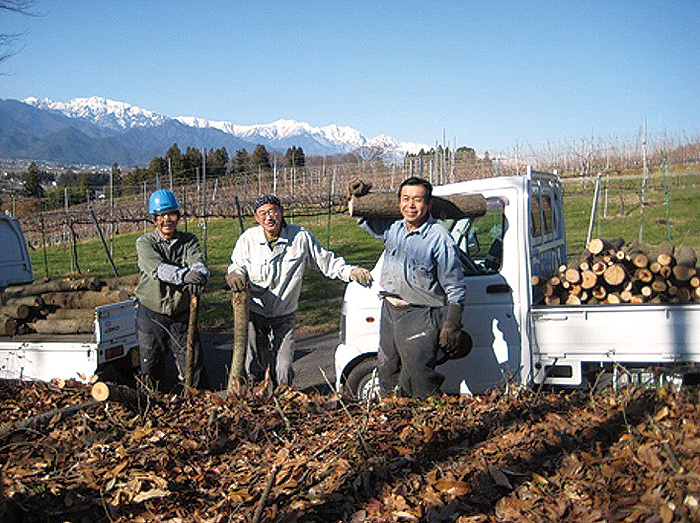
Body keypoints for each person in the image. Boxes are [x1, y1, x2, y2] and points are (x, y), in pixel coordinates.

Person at [226, 194, 373, 388]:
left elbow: (326, 262)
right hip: (256, 312)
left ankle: (283, 397)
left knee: (284, 367)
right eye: (262, 213)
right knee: (252, 364)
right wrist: (235, 274)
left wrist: (350, 272)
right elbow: (237, 265)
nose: (268, 217)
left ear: (281, 212)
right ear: (256, 217)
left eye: (272, 211)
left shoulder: (300, 237)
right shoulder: (248, 239)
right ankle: (254, 397)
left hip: (284, 313)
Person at [352, 177, 467, 398]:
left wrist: (452, 322)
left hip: (420, 314)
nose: (410, 205)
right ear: (399, 202)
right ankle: (395, 415)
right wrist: (357, 197)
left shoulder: (439, 238)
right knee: (388, 371)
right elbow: (364, 220)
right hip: (390, 311)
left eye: (417, 200)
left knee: (419, 377)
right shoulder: (394, 229)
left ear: (429, 204)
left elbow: (454, 285)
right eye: (405, 199)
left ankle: (428, 416)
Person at [135, 189, 209, 391]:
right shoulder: (145, 243)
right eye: (161, 215)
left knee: (192, 363)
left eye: (171, 214)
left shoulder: (189, 240)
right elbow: (158, 269)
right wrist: (184, 276)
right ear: (154, 219)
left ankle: (197, 401)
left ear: (178, 216)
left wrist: (200, 274)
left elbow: (197, 261)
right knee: (150, 364)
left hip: (180, 313)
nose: (167, 220)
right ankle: (150, 401)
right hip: (151, 313)